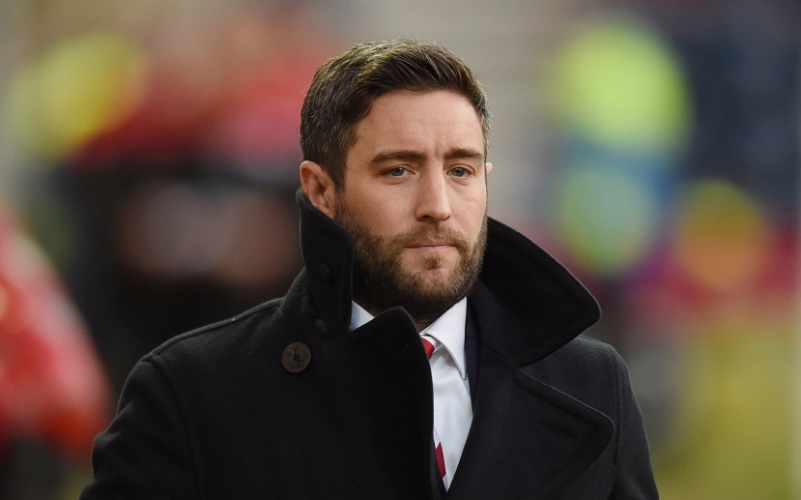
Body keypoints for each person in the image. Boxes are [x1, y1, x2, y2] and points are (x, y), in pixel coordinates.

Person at [81, 39, 659, 499]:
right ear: (321, 192)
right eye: (398, 171)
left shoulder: (591, 385)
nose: (437, 205)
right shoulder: (191, 394)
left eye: (461, 170)